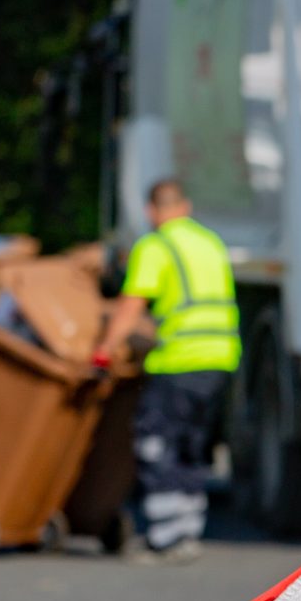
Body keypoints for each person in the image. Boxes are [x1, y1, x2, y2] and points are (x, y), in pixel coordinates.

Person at [92, 179, 240, 558]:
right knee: (194, 446)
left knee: (157, 444)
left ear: (151, 211)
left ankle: (165, 538)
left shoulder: (155, 246)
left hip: (180, 359)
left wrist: (106, 348)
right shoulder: (211, 242)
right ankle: (187, 531)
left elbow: (131, 306)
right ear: (185, 206)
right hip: (220, 358)